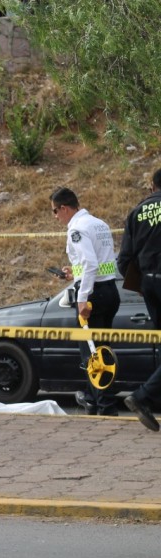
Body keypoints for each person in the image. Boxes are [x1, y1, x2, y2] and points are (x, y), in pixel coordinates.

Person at [50, 187, 121, 416]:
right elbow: (101, 264)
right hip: (110, 290)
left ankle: (104, 408)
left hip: (93, 296)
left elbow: (90, 264)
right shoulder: (99, 223)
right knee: (103, 352)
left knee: (91, 356)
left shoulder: (77, 229)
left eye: (54, 211)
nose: (55, 217)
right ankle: (95, 401)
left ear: (64, 208)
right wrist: (75, 273)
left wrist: (82, 298)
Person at [116, 168, 161, 432]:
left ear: (152, 186)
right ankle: (143, 396)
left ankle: (148, 397)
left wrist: (143, 285)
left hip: (149, 284)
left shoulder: (137, 212)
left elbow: (123, 261)